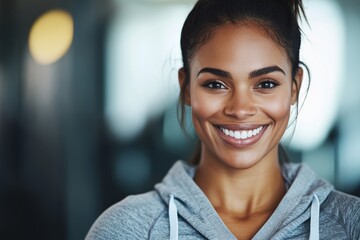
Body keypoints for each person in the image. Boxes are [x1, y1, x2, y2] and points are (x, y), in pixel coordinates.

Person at [86, 0, 360, 239]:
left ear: (294, 88)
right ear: (186, 88)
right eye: (216, 84)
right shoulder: (125, 229)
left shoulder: (351, 225)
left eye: (265, 84)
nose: (240, 109)